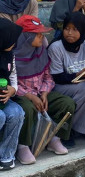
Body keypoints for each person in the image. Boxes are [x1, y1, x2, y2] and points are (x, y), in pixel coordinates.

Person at [13, 15, 74, 165]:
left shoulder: (41, 50)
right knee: (27, 109)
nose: (42, 37)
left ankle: (53, 137)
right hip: (22, 96)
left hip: (41, 93)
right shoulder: (13, 55)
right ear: (26, 36)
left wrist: (45, 94)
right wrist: (31, 97)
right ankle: (23, 146)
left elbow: (48, 77)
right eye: (37, 34)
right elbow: (11, 83)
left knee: (67, 103)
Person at [47, 12, 85, 146]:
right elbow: (57, 77)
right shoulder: (56, 47)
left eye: (75, 29)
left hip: (78, 83)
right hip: (58, 86)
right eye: (67, 28)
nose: (70, 33)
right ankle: (70, 130)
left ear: (83, 30)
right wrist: (78, 76)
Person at [0, 19, 25, 171]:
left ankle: (6, 156)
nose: (14, 43)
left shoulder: (10, 55)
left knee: (16, 113)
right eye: (11, 39)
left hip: (3, 98)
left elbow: (14, 76)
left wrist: (13, 90)